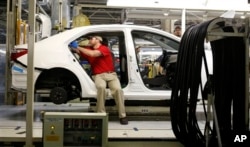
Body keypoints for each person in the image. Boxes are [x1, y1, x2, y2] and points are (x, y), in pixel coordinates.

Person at [69, 36, 128, 125]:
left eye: (92, 38)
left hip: (111, 75)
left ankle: (122, 116)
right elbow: (78, 51)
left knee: (118, 90)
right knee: (101, 87)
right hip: (98, 75)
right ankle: (101, 114)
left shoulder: (104, 48)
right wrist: (70, 45)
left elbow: (93, 54)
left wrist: (77, 46)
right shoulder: (88, 49)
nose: (89, 40)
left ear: (98, 40)